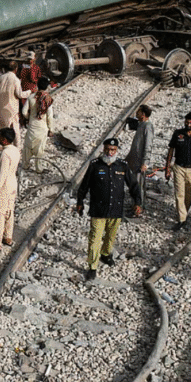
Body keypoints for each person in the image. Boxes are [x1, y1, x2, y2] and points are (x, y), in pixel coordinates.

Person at [75, 138, 142, 281]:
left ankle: (105, 254)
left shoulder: (122, 166)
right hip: (98, 209)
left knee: (110, 236)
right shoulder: (95, 165)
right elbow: (84, 186)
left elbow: (133, 185)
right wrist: (79, 202)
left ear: (117, 150)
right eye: (107, 149)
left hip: (116, 209)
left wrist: (138, 202)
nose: (109, 152)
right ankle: (92, 266)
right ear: (103, 149)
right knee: (95, 238)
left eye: (112, 150)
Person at [164, 112, 191, 230]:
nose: (189, 124)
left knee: (189, 195)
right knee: (179, 194)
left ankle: (184, 213)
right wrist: (167, 167)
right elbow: (171, 150)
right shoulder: (178, 134)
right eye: (187, 122)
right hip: (179, 167)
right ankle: (182, 219)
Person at [0, 61, 32, 147]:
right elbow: (20, 94)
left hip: (1, 106)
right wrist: (29, 92)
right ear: (16, 69)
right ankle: (17, 147)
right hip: (12, 108)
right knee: (15, 129)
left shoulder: (0, 79)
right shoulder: (15, 80)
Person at [20, 76, 54, 172]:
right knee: (40, 149)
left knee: (27, 146)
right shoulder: (48, 99)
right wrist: (51, 129)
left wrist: (29, 118)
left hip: (32, 126)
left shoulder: (31, 97)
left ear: (37, 86)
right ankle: (38, 169)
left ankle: (25, 165)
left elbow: (23, 112)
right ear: (47, 87)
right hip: (42, 128)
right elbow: (50, 116)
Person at [125, 105, 154, 208]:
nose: (136, 113)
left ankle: (139, 207)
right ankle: (136, 205)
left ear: (143, 114)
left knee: (138, 185)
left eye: (138, 112)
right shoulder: (141, 125)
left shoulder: (147, 126)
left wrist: (145, 162)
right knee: (134, 184)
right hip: (134, 161)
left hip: (139, 162)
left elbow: (148, 145)